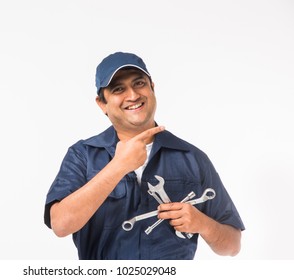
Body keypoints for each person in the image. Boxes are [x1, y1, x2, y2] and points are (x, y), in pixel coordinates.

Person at [44, 52, 245, 260]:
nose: (132, 95)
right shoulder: (82, 155)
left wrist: (203, 223)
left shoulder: (192, 158)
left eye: (139, 83)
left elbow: (232, 245)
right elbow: (60, 225)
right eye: (118, 89)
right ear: (102, 103)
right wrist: (119, 166)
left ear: (152, 88)